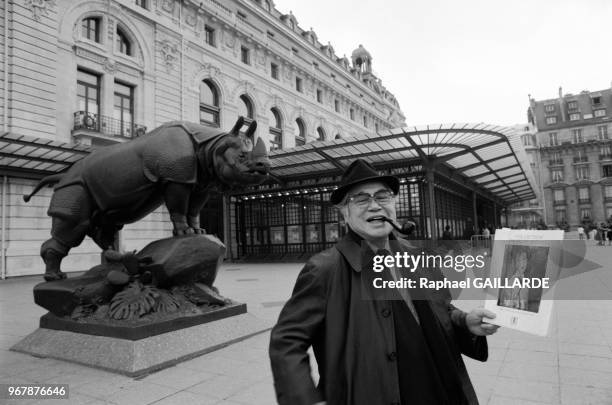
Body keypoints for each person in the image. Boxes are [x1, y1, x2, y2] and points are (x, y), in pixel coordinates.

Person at [269, 159, 499, 405]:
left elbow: (440, 310)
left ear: (393, 204)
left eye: (382, 197)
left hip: (441, 388)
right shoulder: (325, 269)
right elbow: (287, 341)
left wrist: (465, 322)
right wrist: (304, 399)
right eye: (361, 199)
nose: (374, 206)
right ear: (344, 212)